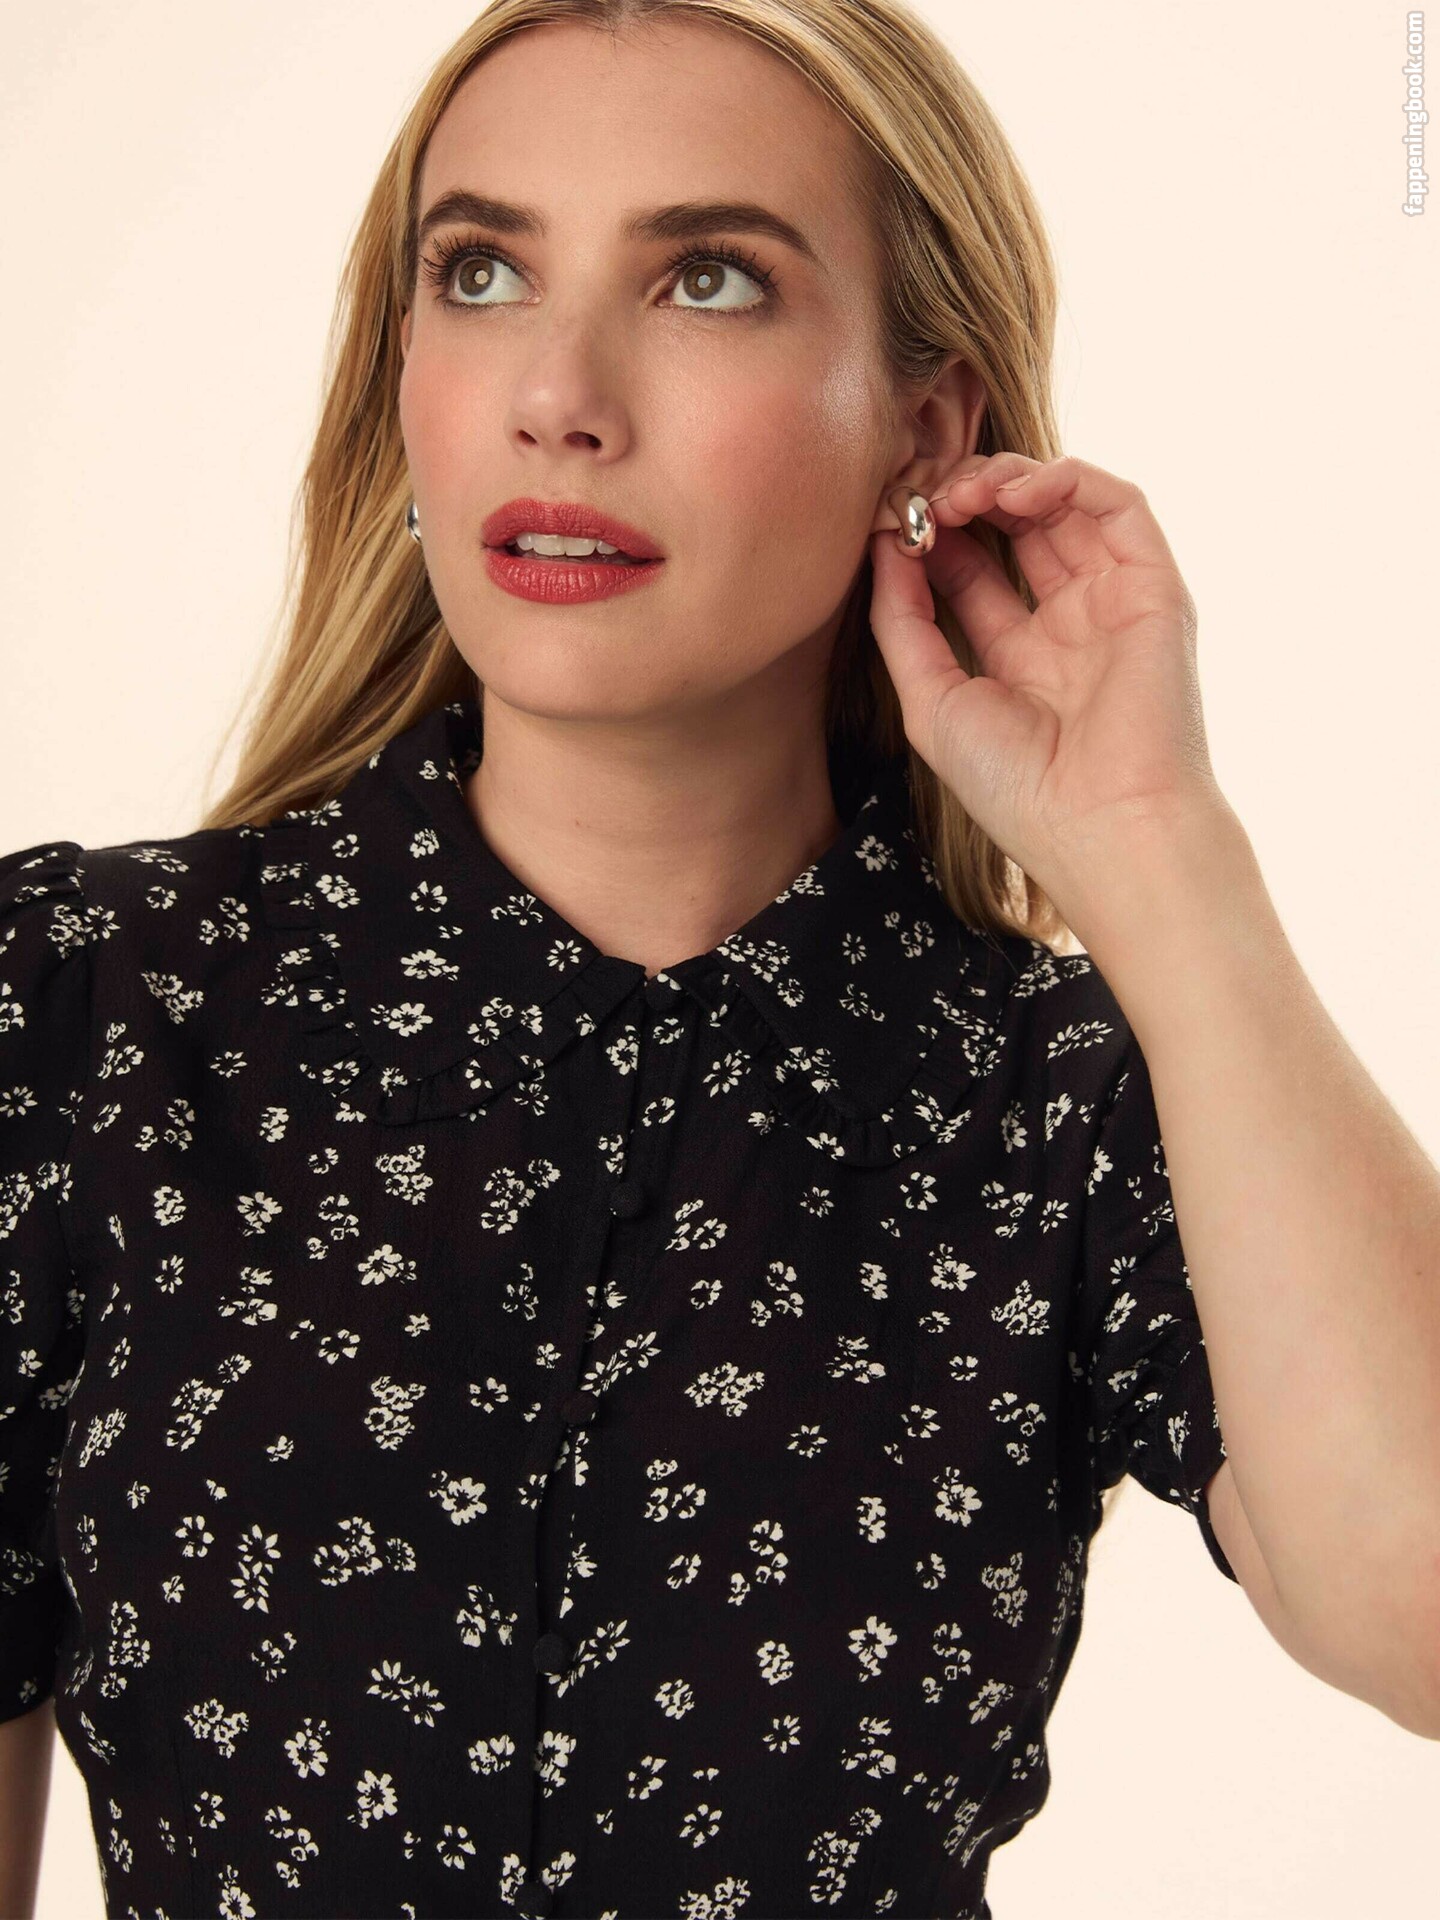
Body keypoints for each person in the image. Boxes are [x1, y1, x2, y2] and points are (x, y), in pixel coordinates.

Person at [11, 2, 1380, 1916]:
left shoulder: (1056, 1101)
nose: (556, 396)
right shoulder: (83, 1007)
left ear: (924, 431)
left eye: (708, 279)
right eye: (482, 271)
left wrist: (1162, 851)